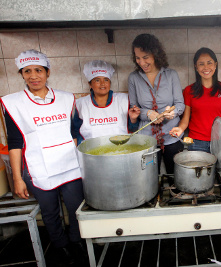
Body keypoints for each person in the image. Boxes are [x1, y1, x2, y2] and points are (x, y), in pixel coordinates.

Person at [0, 50, 85, 265]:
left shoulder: (66, 98)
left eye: (38, 70)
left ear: (48, 72)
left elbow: (75, 132)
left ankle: (77, 241)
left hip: (69, 165)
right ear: (21, 74)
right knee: (50, 211)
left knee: (77, 208)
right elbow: (15, 142)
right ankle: (60, 245)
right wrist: (18, 178)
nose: (33, 76)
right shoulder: (14, 103)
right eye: (27, 71)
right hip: (39, 168)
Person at [128, 33, 185, 174]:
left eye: (145, 57)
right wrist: (148, 113)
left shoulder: (171, 75)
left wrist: (173, 112)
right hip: (146, 139)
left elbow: (180, 104)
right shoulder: (133, 78)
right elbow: (133, 109)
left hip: (172, 136)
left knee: (175, 177)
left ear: (155, 54)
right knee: (149, 178)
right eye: (138, 58)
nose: (141, 62)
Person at [169, 47, 221, 153]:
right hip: (196, 142)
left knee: (220, 170)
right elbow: (185, 120)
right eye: (201, 64)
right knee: (198, 170)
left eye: (209, 63)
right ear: (196, 67)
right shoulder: (188, 91)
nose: (206, 67)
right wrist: (180, 129)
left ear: (215, 65)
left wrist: (215, 131)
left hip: (218, 141)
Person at [72, 60, 140, 145]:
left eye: (106, 80)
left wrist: (133, 119)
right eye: (97, 80)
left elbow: (134, 129)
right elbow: (76, 132)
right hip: (92, 153)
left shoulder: (123, 100)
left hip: (121, 150)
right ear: (90, 84)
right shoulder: (81, 104)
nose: (102, 84)